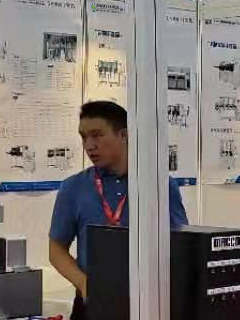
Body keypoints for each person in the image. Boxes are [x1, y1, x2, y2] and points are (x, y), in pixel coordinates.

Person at [48, 101, 188, 307]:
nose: (89, 146)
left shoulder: (158, 185)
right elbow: (56, 250)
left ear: (124, 135)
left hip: (148, 304)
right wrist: (84, 283)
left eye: (97, 135)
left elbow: (180, 243)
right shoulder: (73, 187)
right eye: (84, 137)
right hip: (92, 303)